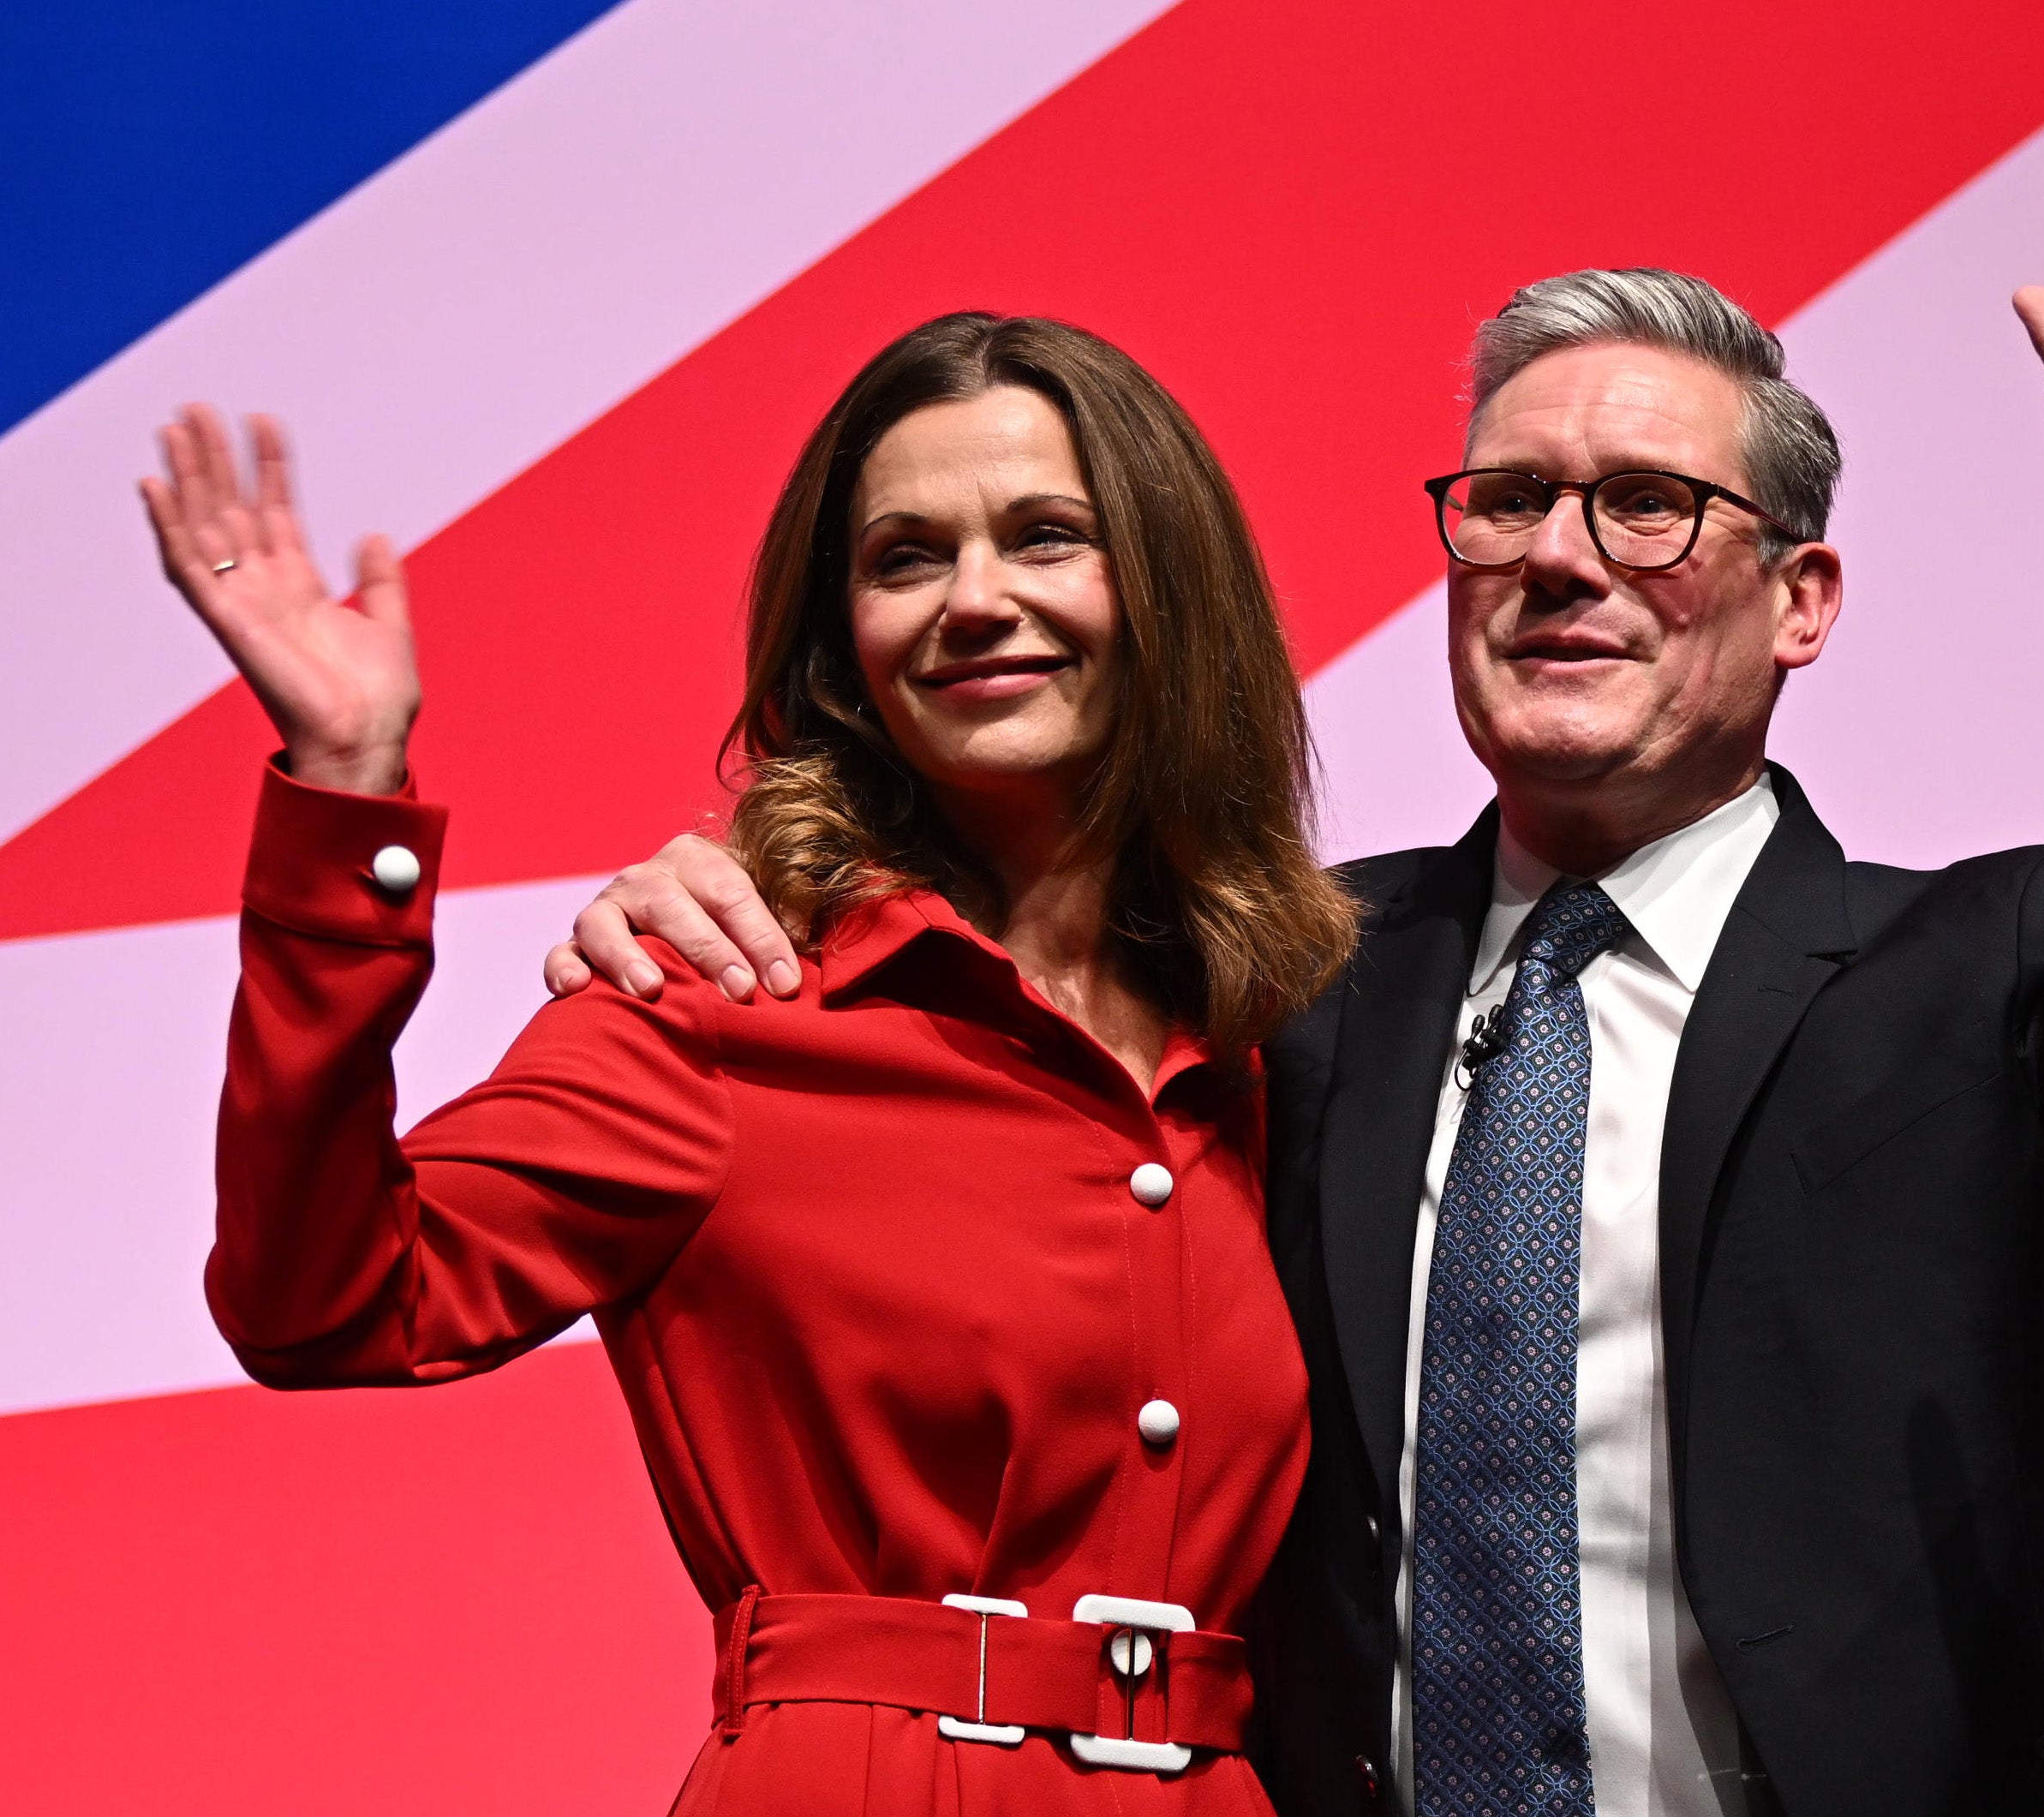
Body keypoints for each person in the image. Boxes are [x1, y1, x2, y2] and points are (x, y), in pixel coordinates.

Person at [551, 83, 2044, 1815]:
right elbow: (964, 1050)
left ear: (1802, 601)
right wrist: (741, 896)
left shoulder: (1988, 967)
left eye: (1649, 507)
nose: (1557, 555)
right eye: (1508, 501)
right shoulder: (1273, 983)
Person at [142, 313, 1361, 1814]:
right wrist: (347, 785)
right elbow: (322, 1301)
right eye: (906, 557)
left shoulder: (1279, 1044)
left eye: (1050, 536)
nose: (975, 599)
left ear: (1176, 590)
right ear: (842, 641)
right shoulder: (726, 998)